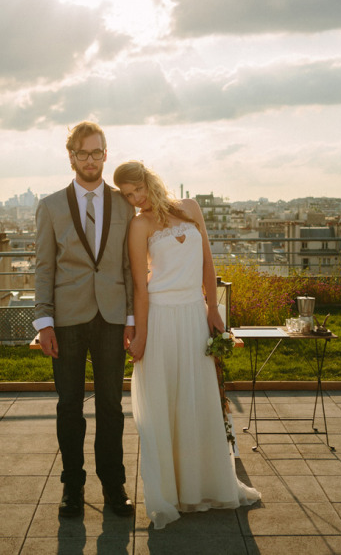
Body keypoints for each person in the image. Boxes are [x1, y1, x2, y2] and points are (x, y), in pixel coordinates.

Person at [113, 160, 260, 529]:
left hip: (195, 315)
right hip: (161, 318)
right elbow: (140, 288)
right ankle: (171, 493)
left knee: (198, 399)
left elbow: (208, 264)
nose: (136, 199)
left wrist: (213, 309)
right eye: (128, 196)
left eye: (138, 189)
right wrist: (141, 335)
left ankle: (205, 486)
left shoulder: (191, 208)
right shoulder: (139, 224)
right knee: (167, 402)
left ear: (149, 180)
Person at [33, 121, 135, 518]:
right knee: (69, 406)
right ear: (71, 157)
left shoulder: (124, 204)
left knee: (111, 405)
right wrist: (44, 323)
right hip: (67, 319)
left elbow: (129, 266)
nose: (90, 160)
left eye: (96, 152)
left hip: (112, 317)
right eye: (82, 153)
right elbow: (44, 268)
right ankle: (72, 488)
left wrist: (130, 318)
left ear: (106, 154)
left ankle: (114, 487)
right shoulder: (51, 206)